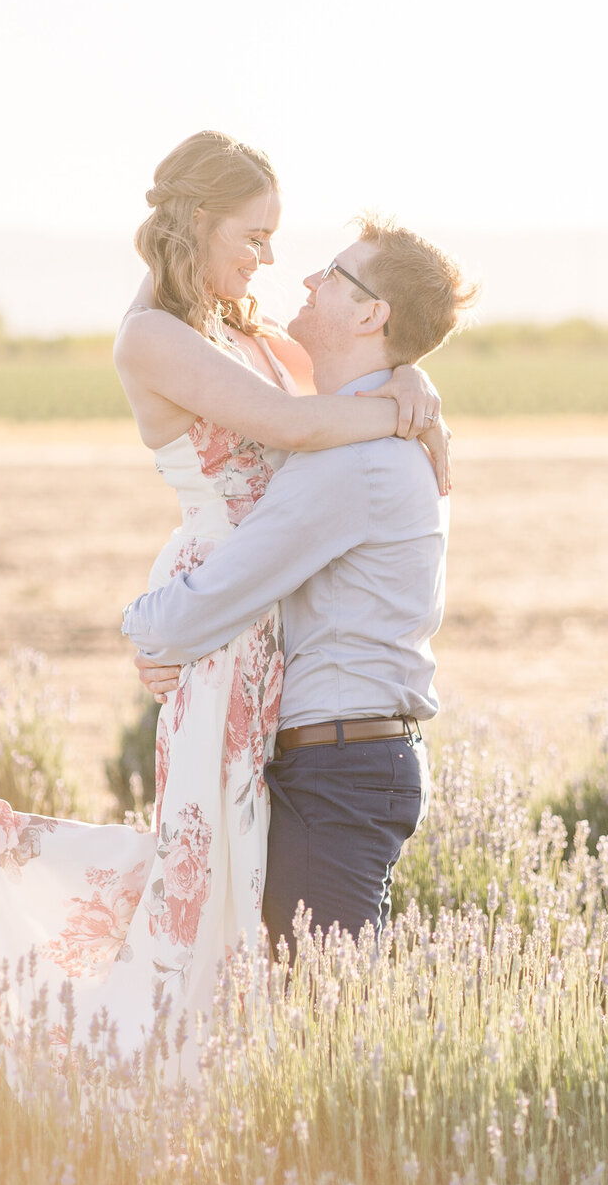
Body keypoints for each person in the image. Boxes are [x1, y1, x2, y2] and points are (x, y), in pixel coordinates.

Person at [0, 131, 448, 1085]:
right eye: (253, 236)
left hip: (263, 625)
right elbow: (299, 423)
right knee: (197, 877)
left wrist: (413, 381)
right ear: (199, 222)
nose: (267, 259)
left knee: (209, 873)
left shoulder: (241, 326)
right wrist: (401, 415)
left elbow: (367, 355)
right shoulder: (152, 335)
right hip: (215, 618)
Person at [124, 213, 474, 951]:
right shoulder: (369, 429)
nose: (308, 281)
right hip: (346, 759)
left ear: (371, 313)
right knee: (312, 999)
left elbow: (219, 596)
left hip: (339, 768)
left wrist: (145, 628)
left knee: (326, 1012)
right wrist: (409, 377)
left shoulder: (353, 464)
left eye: (334, 276)